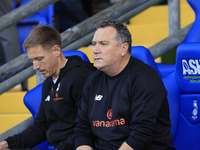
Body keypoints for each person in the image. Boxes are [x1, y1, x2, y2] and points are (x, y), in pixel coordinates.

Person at [74, 20, 176, 150]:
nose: (95, 50)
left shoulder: (145, 78)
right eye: (94, 44)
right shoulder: (92, 80)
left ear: (123, 49)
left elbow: (140, 135)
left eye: (103, 44)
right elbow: (82, 129)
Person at [0, 24, 96, 150]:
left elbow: (87, 128)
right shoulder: (48, 84)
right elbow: (40, 128)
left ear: (56, 50)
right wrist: (7, 144)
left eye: (39, 59)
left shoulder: (80, 76)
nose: (35, 66)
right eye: (32, 60)